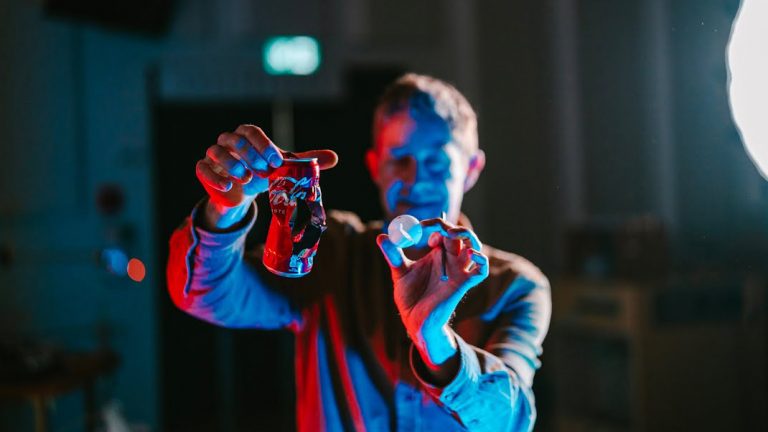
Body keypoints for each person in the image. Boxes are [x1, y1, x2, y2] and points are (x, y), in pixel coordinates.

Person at [167, 73, 551, 431]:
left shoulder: (515, 285)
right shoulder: (333, 252)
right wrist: (226, 205)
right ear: (374, 166)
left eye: (437, 163)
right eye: (399, 159)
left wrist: (434, 338)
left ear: (470, 169)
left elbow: (510, 419)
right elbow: (202, 295)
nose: (415, 179)